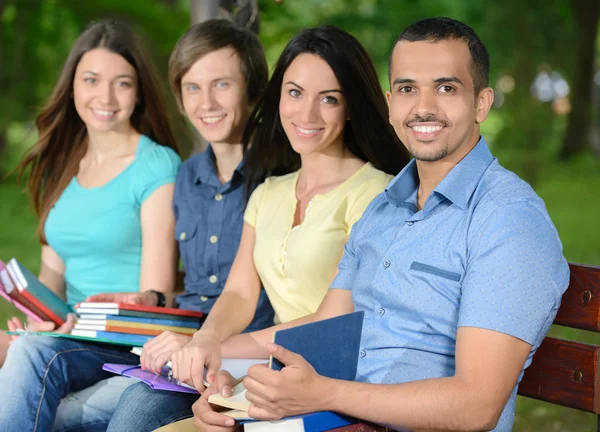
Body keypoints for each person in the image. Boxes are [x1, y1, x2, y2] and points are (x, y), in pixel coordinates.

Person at [192, 17, 570, 432]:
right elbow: (326, 325)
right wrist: (237, 382)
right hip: (335, 420)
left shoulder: (507, 219)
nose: (423, 107)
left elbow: (476, 406)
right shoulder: (383, 209)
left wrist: (323, 394)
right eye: (408, 89)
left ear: (482, 103)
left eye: (446, 88)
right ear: (391, 103)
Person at [107, 25, 409, 431]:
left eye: (329, 99)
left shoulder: (375, 193)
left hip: (337, 385)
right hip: (271, 375)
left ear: (351, 105)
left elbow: (334, 318)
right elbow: (238, 293)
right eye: (295, 93)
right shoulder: (269, 192)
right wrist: (208, 339)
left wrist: (215, 347)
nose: (307, 114)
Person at [52, 19, 276, 432]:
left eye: (222, 85)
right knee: (60, 407)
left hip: (247, 349)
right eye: (192, 88)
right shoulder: (188, 177)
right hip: (183, 345)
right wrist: (150, 296)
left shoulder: (279, 175)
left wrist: (204, 344)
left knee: (120, 414)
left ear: (254, 89)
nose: (206, 102)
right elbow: (189, 282)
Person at [0, 20, 182, 432]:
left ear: (138, 94)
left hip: (125, 341)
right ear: (73, 87)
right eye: (91, 80)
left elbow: (155, 294)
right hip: (69, 338)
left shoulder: (155, 166)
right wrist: (38, 316)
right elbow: (54, 283)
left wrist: (52, 336)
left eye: (121, 83)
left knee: (29, 357)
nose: (105, 96)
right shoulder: (62, 167)